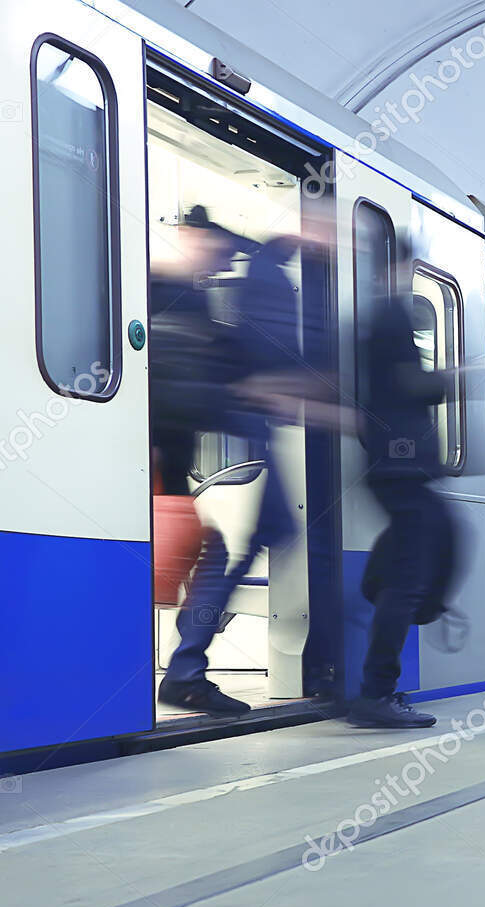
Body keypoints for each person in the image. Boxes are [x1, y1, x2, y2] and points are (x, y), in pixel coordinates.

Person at [153, 206, 302, 716]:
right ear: (186, 237)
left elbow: (222, 369)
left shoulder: (186, 299)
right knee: (199, 558)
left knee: (212, 554)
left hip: (164, 474)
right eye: (213, 249)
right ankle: (182, 675)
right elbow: (190, 387)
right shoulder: (156, 291)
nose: (218, 262)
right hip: (148, 474)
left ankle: (185, 673)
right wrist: (250, 414)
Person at [348, 262, 457, 728]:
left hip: (397, 464)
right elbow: (405, 385)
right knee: (411, 575)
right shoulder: (391, 317)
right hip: (401, 464)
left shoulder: (381, 318)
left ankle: (381, 586)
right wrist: (453, 377)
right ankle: (376, 693)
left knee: (434, 539)